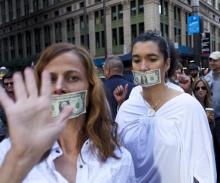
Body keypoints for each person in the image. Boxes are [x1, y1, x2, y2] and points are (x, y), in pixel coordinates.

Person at [0, 43, 135, 182]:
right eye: (51, 79)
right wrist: (17, 161)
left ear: (91, 88)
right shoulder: (10, 151)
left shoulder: (120, 159)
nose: (59, 87)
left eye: (72, 78)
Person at [116, 31, 216, 183]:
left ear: (167, 63)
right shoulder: (127, 109)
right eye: (136, 60)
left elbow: (203, 169)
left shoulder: (188, 107)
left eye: (152, 59)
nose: (143, 67)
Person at [103, 56, 135, 120]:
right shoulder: (134, 88)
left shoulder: (99, 89)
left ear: (107, 71)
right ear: (122, 70)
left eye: (104, 70)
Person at [204, 50, 220, 181]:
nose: (212, 62)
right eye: (210, 60)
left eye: (215, 60)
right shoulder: (207, 76)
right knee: (212, 150)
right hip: (209, 120)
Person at [0, 72, 15, 142]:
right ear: (3, 85)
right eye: (6, 84)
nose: (9, 85)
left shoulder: (24, 94)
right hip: (7, 132)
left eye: (11, 83)